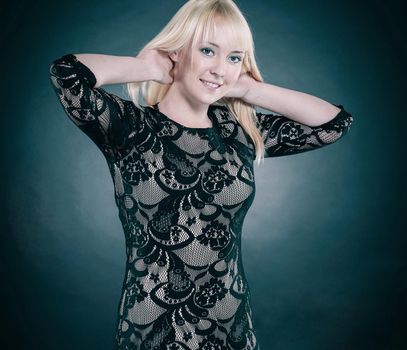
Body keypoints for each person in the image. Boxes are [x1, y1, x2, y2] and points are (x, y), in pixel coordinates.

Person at [49, 0, 353, 349]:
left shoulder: (238, 132)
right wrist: (146, 67)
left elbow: (333, 124)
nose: (220, 68)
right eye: (208, 50)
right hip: (151, 327)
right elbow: (67, 74)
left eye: (234, 57)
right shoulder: (130, 127)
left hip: (230, 324)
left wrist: (249, 89)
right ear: (178, 51)